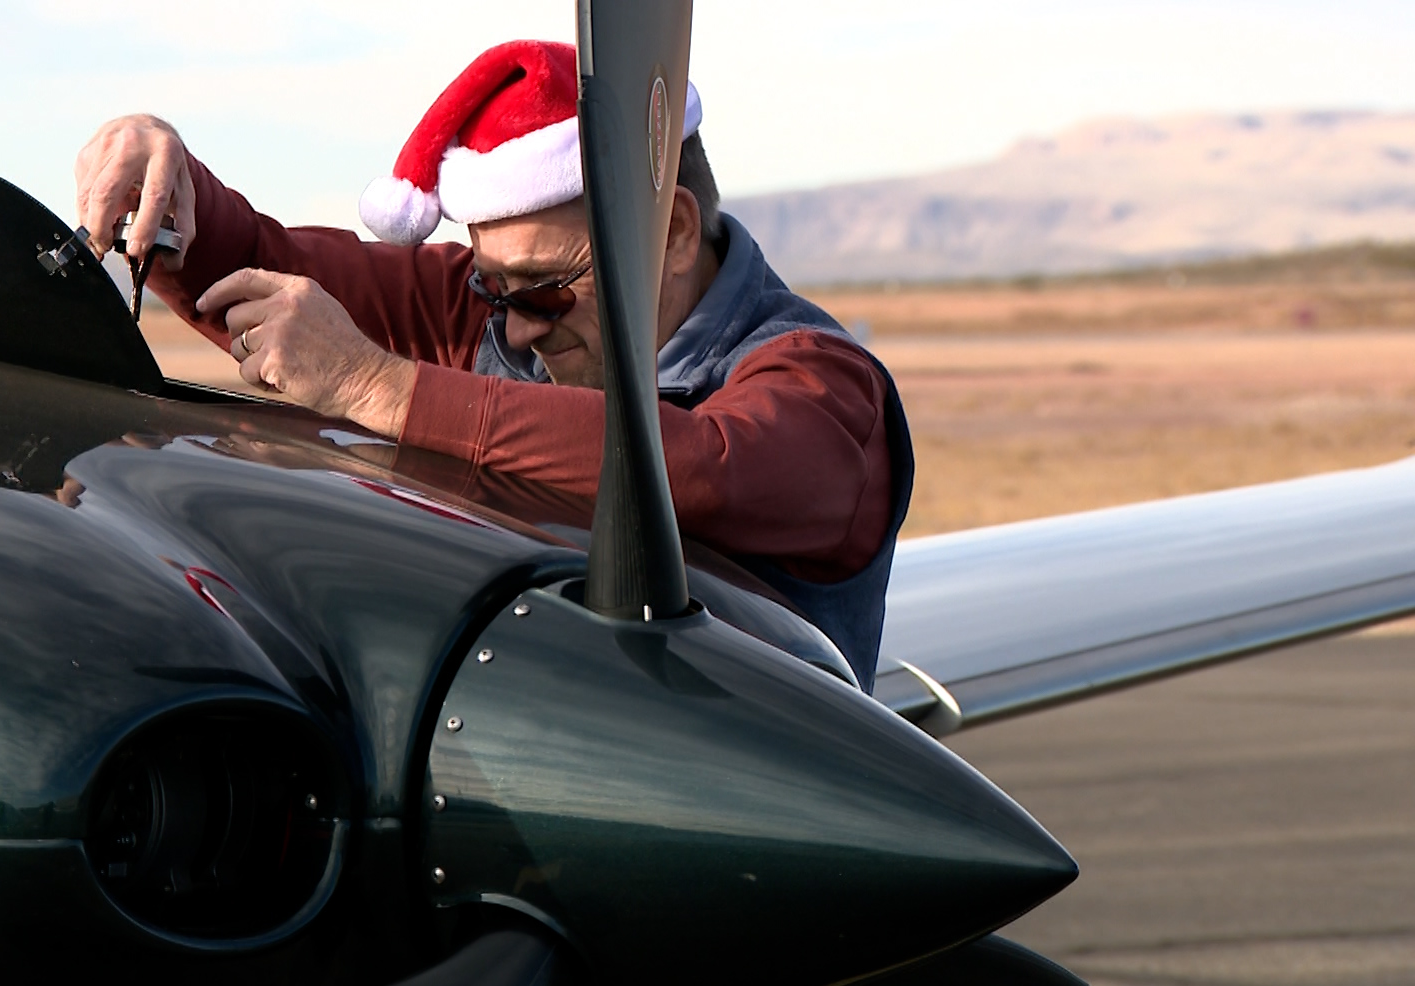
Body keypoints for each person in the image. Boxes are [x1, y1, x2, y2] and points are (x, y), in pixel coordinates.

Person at [73, 40, 912, 689]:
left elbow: (700, 467)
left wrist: (378, 388)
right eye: (492, 285)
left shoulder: (827, 390)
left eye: (546, 289)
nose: (513, 332)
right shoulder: (484, 312)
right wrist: (171, 188)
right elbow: (259, 265)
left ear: (674, 234)